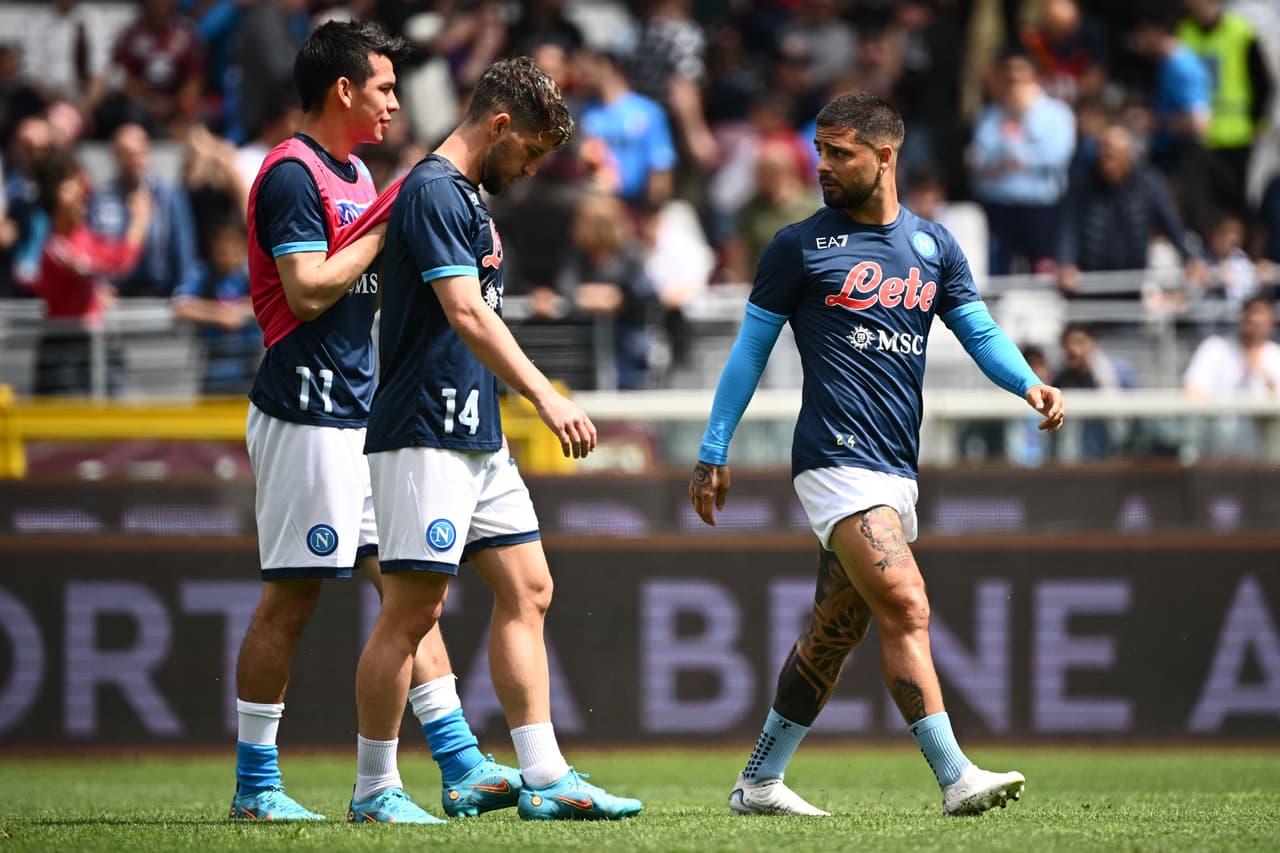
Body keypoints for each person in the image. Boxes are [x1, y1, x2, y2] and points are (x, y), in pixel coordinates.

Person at [689, 93, 1065, 817]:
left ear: (884, 156)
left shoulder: (934, 245)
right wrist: (713, 448)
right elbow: (749, 351)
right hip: (833, 456)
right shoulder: (797, 245)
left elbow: (980, 332)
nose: (822, 166)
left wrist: (1029, 383)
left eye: (839, 153)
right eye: (819, 151)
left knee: (833, 632)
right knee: (907, 601)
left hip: (895, 465)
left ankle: (759, 780)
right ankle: (956, 776)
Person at [231, 20, 519, 823]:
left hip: (358, 413)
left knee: (407, 595)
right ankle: (256, 786)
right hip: (305, 413)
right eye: (386, 87)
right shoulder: (292, 174)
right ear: (344, 90)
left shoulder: (356, 171)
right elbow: (308, 290)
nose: (397, 101)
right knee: (289, 601)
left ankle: (457, 763)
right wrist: (390, 228)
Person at [352, 56, 642, 824]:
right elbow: (467, 313)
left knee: (531, 587)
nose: (532, 168)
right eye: (534, 151)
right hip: (422, 429)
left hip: (474, 431)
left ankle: (544, 775)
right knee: (411, 611)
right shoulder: (432, 190)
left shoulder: (467, 198)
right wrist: (546, 395)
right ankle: (375, 788)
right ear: (501, 124)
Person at [30, 148, 150, 395]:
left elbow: (109, 259)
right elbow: (115, 263)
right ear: (57, 195)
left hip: (96, 348)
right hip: (64, 356)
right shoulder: (56, 247)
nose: (82, 194)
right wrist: (139, 221)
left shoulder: (83, 234)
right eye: (73, 187)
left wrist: (97, 294)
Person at [87, 123, 200, 297]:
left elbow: (184, 249)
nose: (134, 160)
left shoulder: (168, 195)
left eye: (138, 153)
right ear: (116, 156)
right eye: (127, 154)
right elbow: (93, 247)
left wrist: (184, 293)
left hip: (160, 290)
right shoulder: (101, 198)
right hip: (115, 293)